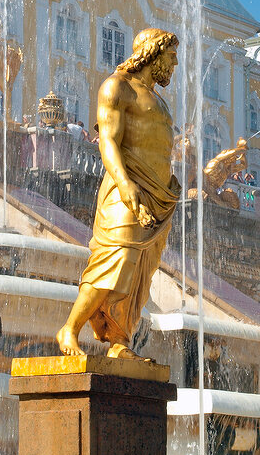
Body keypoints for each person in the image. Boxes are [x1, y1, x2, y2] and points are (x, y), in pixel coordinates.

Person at [57, 29, 180, 360]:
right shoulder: (117, 87)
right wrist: (126, 184)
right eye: (170, 58)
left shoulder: (159, 100)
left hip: (159, 198)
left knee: (141, 271)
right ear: (152, 54)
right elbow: (108, 140)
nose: (175, 64)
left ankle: (119, 341)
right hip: (126, 189)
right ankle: (70, 327)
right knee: (117, 259)